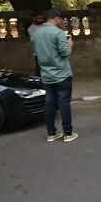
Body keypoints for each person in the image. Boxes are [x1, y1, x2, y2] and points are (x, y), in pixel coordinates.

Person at [31, 9, 77, 142]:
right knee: (64, 103)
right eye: (61, 19)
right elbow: (64, 53)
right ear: (55, 18)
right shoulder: (58, 33)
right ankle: (68, 133)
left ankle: (51, 133)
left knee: (49, 103)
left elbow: (36, 53)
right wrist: (70, 45)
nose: (62, 22)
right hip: (62, 74)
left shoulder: (36, 33)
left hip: (46, 74)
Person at [27, 11, 45, 76]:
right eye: (39, 18)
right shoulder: (31, 28)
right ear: (34, 18)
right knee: (39, 69)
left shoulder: (44, 26)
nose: (41, 20)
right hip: (38, 52)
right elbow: (34, 39)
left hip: (47, 50)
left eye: (42, 18)